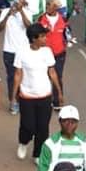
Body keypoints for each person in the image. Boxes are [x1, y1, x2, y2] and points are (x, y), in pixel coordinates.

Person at [13, 23, 63, 162]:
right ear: (33, 39)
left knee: (42, 128)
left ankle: (37, 154)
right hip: (27, 95)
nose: (45, 38)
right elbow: (18, 74)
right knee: (27, 125)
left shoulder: (47, 52)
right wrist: (14, 95)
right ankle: (23, 142)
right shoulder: (22, 52)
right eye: (42, 36)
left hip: (45, 95)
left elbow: (52, 72)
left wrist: (59, 92)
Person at [0, 0, 32, 115]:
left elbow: (29, 27)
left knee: (24, 77)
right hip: (9, 51)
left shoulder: (28, 12)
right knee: (12, 77)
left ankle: (22, 100)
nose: (17, 1)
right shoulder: (5, 11)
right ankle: (13, 101)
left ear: (23, 0)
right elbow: (0, 28)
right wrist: (8, 14)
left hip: (24, 51)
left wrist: (21, 11)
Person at [37, 0, 68, 109]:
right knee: (44, 76)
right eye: (47, 5)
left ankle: (57, 101)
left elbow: (67, 34)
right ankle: (43, 99)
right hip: (44, 54)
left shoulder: (63, 19)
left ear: (55, 7)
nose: (47, 7)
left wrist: (66, 43)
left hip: (59, 54)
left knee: (57, 76)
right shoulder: (41, 18)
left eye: (49, 5)